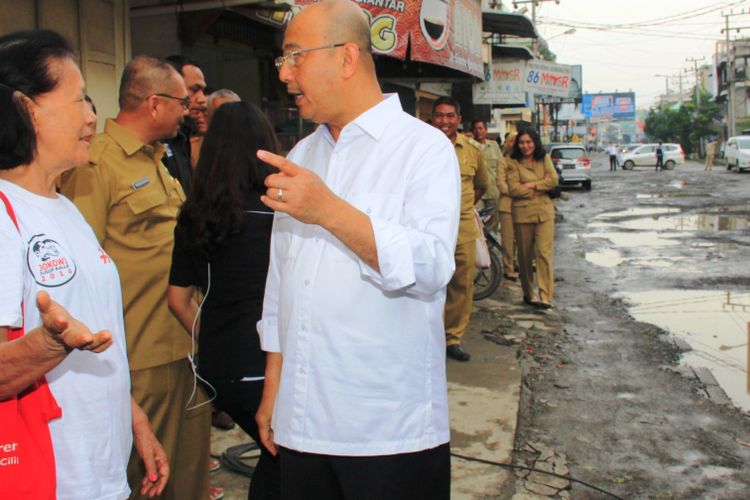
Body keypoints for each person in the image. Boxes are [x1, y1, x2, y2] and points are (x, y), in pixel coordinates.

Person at [255, 1, 460, 498]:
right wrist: (273, 389)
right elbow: (281, 283)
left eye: (294, 56)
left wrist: (329, 210)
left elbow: (432, 266)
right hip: (302, 420)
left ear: (346, 58)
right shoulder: (303, 155)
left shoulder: (424, 149)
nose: (284, 74)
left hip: (388, 430)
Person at [0, 29, 168, 499]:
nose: (93, 116)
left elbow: (95, 336)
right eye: (79, 101)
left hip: (99, 473)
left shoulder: (64, 205)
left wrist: (133, 418)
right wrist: (50, 346)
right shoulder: (3, 213)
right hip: (48, 478)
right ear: (26, 109)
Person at [59, 56, 213, 500]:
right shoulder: (96, 166)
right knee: (147, 478)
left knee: (187, 476)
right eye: (181, 102)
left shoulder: (160, 162)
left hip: (185, 345)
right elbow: (80, 270)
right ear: (154, 103)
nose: (188, 110)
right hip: (139, 355)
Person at [167, 101, 282, 499]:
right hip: (269, 367)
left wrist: (213, 334)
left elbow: (178, 299)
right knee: (288, 460)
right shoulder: (279, 213)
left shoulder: (196, 213)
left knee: (277, 459)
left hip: (219, 366)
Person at [433, 97, 489, 362]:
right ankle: (426, 336)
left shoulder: (472, 150)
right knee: (426, 282)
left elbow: (482, 185)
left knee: (461, 285)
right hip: (428, 225)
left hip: (462, 226)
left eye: (450, 116)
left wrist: (461, 207)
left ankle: (451, 338)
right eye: (440, 115)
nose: (445, 121)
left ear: (458, 119)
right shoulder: (421, 144)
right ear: (433, 118)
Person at [506, 127, 558, 310]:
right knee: (525, 256)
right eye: (522, 142)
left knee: (544, 253)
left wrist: (530, 185)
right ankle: (529, 293)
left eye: (529, 142)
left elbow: (553, 181)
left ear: (535, 142)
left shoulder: (544, 158)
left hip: (544, 212)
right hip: (523, 214)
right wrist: (540, 186)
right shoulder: (512, 162)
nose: (525, 146)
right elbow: (514, 189)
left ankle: (546, 296)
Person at [164, 55, 208, 196]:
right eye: (194, 90)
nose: (202, 100)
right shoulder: (154, 140)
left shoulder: (182, 138)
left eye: (203, 91)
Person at [472, 118, 502, 231]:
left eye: (480, 128)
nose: (478, 131)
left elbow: (501, 167)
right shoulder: (470, 146)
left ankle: (490, 249)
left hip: (493, 192)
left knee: (493, 224)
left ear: (486, 130)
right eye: (475, 129)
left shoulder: (494, 146)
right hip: (477, 194)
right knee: (477, 223)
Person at [498, 133, 519, 281]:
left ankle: (517, 262)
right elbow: (501, 183)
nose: (514, 143)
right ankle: (508, 267)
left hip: (523, 206)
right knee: (508, 239)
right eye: (511, 140)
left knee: (521, 239)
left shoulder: (523, 161)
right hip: (507, 206)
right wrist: (517, 192)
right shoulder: (503, 162)